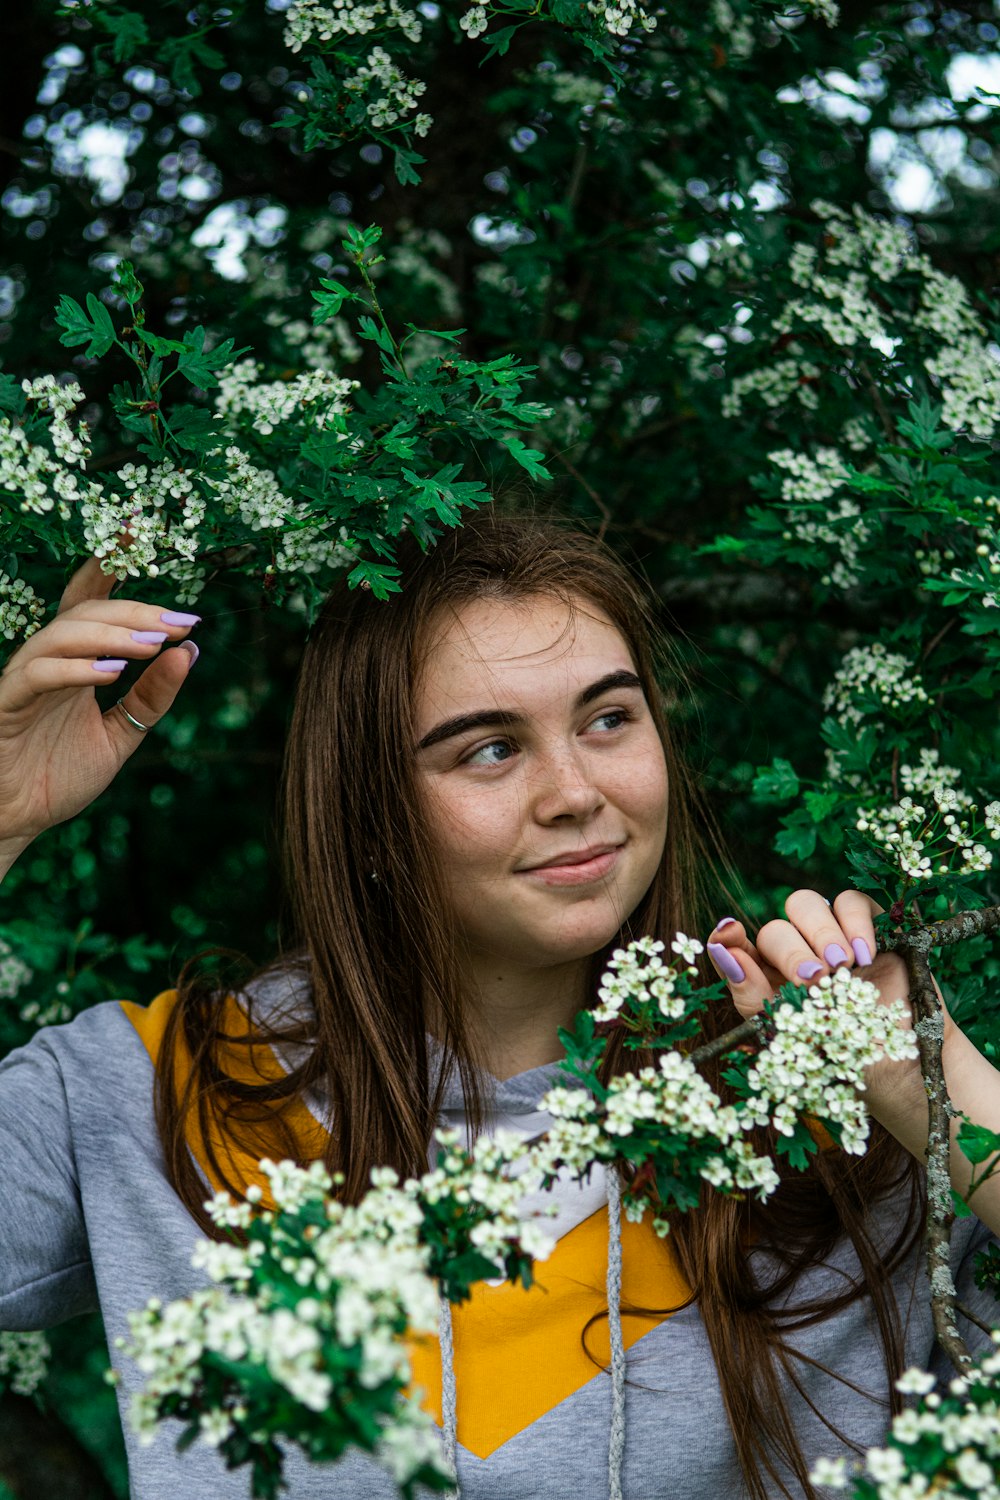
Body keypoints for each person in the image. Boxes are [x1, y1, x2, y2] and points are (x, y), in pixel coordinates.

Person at [1, 510, 999, 1500]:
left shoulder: (810, 1104)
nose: (573, 791)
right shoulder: (171, 1089)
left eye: (609, 718)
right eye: (487, 748)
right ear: (373, 816)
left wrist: (935, 1086)